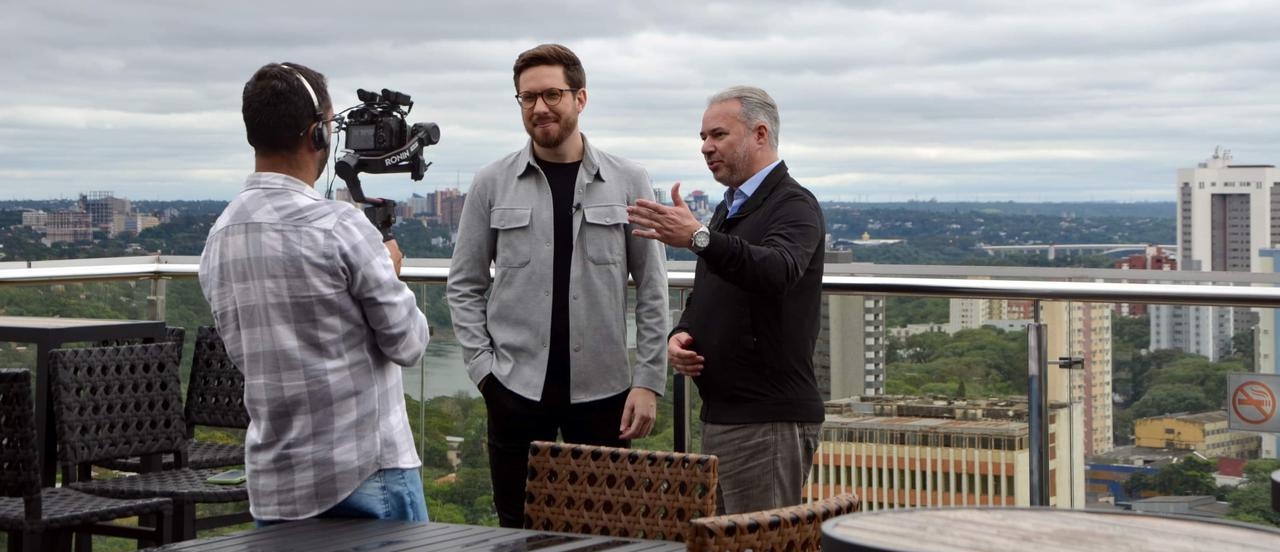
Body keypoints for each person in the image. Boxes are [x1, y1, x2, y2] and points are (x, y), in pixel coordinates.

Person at [446, 44, 669, 528]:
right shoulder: (491, 183)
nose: (540, 107)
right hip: (514, 390)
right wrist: (484, 372)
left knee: (609, 529)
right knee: (517, 528)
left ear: (580, 98)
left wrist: (649, 380)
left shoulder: (629, 180)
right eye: (527, 98)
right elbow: (463, 285)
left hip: (607, 393)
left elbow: (653, 288)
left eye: (552, 94)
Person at [199, 62, 430, 524]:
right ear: (318, 135)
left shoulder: (220, 236)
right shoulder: (341, 227)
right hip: (366, 472)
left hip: (276, 484)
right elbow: (409, 343)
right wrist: (390, 271)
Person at [626, 86, 825, 515]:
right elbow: (711, 291)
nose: (705, 147)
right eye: (703, 137)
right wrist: (682, 335)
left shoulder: (794, 204)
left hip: (767, 419)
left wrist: (699, 237)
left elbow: (777, 271)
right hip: (725, 415)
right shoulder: (729, 210)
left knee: (759, 545)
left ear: (759, 133)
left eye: (718, 135)